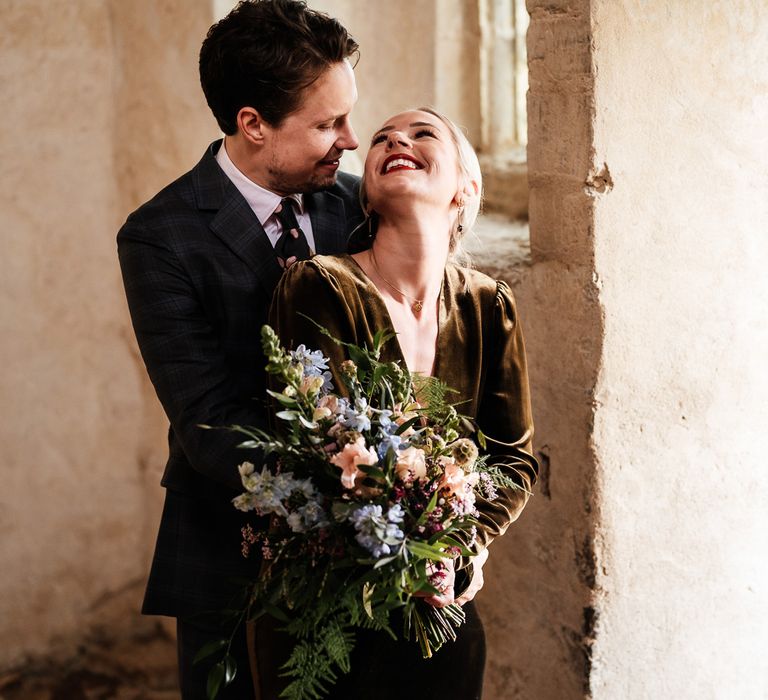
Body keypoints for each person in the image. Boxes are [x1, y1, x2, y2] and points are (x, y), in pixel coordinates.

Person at [116, 2, 363, 697]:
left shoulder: (354, 207)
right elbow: (205, 419)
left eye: (347, 115)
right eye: (325, 124)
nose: (349, 138)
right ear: (251, 124)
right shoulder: (160, 236)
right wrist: (346, 486)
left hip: (367, 552)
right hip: (227, 545)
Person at [269, 108, 539, 699]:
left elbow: (514, 460)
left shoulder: (490, 306)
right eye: (383, 139)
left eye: (423, 134)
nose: (396, 140)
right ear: (366, 195)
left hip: (442, 604)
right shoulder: (321, 284)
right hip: (330, 602)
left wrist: (457, 546)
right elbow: (320, 446)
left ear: (466, 187)